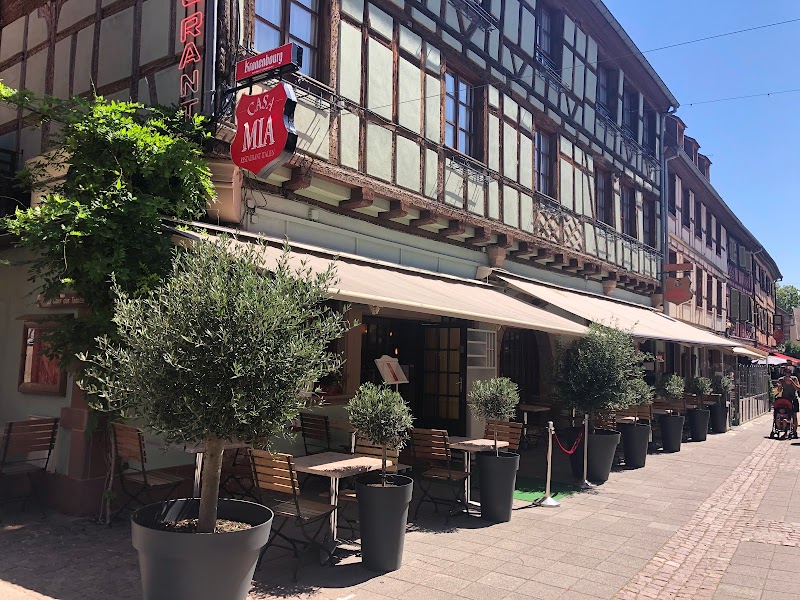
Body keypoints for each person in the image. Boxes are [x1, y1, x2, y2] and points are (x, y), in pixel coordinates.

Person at [775, 369, 800, 438]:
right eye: (786, 372)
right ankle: (786, 431)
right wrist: (779, 387)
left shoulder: (794, 378)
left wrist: (792, 382)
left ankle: (795, 431)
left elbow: (798, 389)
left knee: (794, 416)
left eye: (789, 372)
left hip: (794, 398)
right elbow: (779, 390)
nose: (787, 374)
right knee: (786, 415)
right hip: (785, 399)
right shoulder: (781, 380)